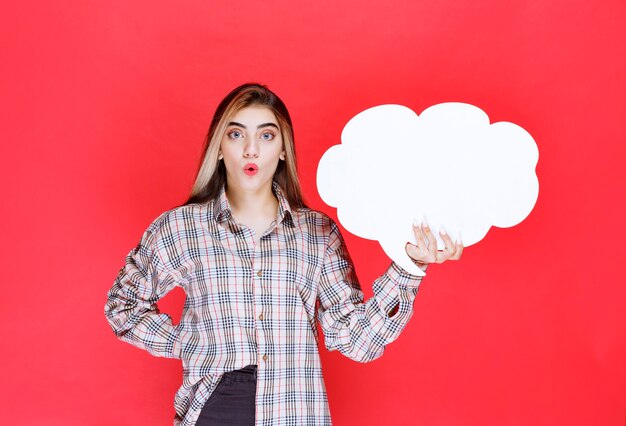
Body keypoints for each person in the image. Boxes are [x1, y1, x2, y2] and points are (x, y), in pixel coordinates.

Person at [104, 83, 463, 426]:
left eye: (266, 135)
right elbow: (123, 306)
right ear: (218, 147)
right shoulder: (182, 228)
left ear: (283, 149)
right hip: (215, 410)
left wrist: (410, 267)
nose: (250, 149)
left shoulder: (317, 234)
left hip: (295, 410)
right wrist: (187, 342)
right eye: (235, 134)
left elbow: (356, 341)